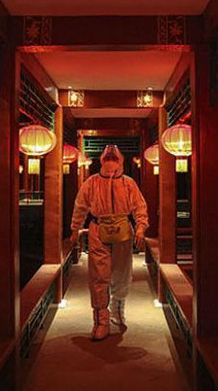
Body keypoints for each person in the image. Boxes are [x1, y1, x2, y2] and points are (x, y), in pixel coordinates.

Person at [69, 145, 148, 341]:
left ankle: (118, 306)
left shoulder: (128, 183)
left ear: (120, 161)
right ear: (102, 160)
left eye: (114, 157)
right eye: (108, 157)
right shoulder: (92, 182)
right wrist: (75, 228)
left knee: (122, 271)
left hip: (123, 229)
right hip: (98, 229)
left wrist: (140, 226)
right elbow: (80, 206)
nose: (111, 160)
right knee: (99, 275)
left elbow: (139, 206)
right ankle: (101, 321)